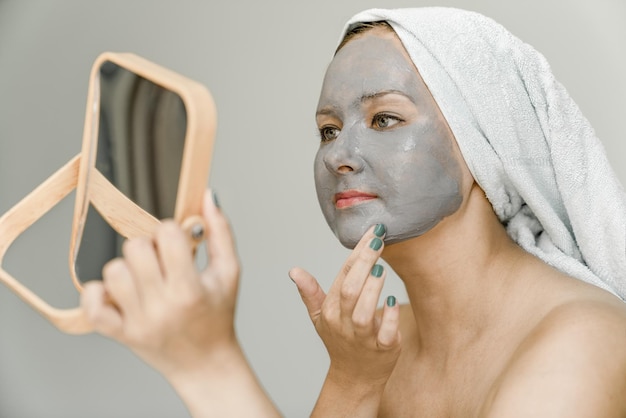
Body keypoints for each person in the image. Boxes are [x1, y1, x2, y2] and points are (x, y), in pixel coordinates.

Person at [81, 7, 626, 417]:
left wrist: (208, 363)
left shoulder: (581, 343)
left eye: (385, 119)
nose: (338, 155)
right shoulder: (382, 343)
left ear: (486, 142)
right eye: (328, 129)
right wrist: (351, 381)